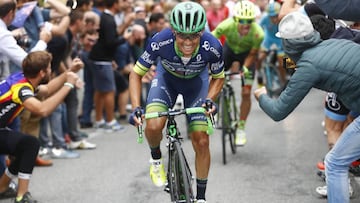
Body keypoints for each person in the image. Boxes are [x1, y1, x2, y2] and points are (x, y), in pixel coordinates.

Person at [253, 11, 360, 203]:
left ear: (287, 43)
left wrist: (261, 96)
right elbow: (301, 68)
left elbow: (278, 112)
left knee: (334, 163)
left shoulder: (309, 66)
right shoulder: (330, 43)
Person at [128, 2, 224, 202]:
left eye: (194, 35)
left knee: (202, 139)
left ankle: (201, 197)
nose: (188, 42)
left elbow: (218, 77)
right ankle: (156, 158)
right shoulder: (159, 41)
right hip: (166, 82)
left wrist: (209, 100)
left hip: (197, 85)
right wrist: (137, 106)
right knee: (153, 125)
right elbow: (136, 74)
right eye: (182, 35)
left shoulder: (213, 46)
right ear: (173, 31)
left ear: (202, 32)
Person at [0, 50, 83, 203]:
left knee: (27, 144)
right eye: (50, 68)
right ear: (42, 72)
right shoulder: (21, 89)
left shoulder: (23, 79)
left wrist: (69, 72)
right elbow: (42, 109)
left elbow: (47, 90)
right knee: (30, 144)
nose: (51, 70)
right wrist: (68, 85)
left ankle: (2, 188)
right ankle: (22, 196)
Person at [211, 0, 264, 146]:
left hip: (247, 56)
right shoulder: (226, 25)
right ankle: (212, 109)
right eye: (242, 21)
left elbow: (253, 54)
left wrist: (245, 68)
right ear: (235, 19)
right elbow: (209, 40)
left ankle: (241, 128)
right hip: (228, 52)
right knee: (214, 78)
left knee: (246, 92)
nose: (246, 25)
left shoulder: (258, 33)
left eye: (249, 21)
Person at [89, 0, 128, 132]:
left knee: (100, 90)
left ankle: (99, 120)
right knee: (109, 91)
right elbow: (110, 42)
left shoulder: (104, 17)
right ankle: (110, 121)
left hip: (100, 58)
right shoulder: (109, 19)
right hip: (102, 59)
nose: (124, 4)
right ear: (115, 4)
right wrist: (125, 38)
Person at [257, 1, 287, 88]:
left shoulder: (283, 18)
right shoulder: (265, 18)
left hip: (280, 41)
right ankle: (259, 74)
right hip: (268, 41)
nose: (274, 19)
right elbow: (258, 29)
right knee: (259, 58)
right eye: (271, 17)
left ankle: (284, 81)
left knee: (282, 63)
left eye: (275, 16)